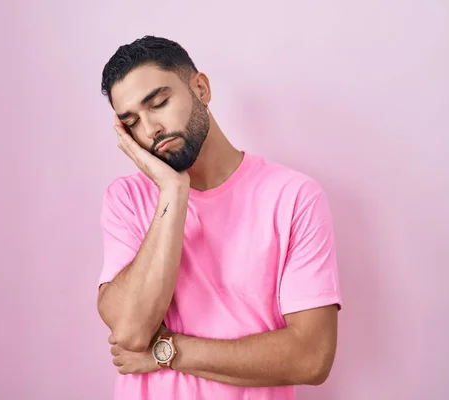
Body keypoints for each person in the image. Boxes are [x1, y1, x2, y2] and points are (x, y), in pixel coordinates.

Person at [96, 35, 342, 400]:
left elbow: (311, 357)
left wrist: (167, 351)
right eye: (132, 122)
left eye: (159, 103)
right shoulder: (126, 199)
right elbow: (131, 333)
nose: (150, 131)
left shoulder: (293, 197)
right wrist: (173, 192)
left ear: (200, 88)